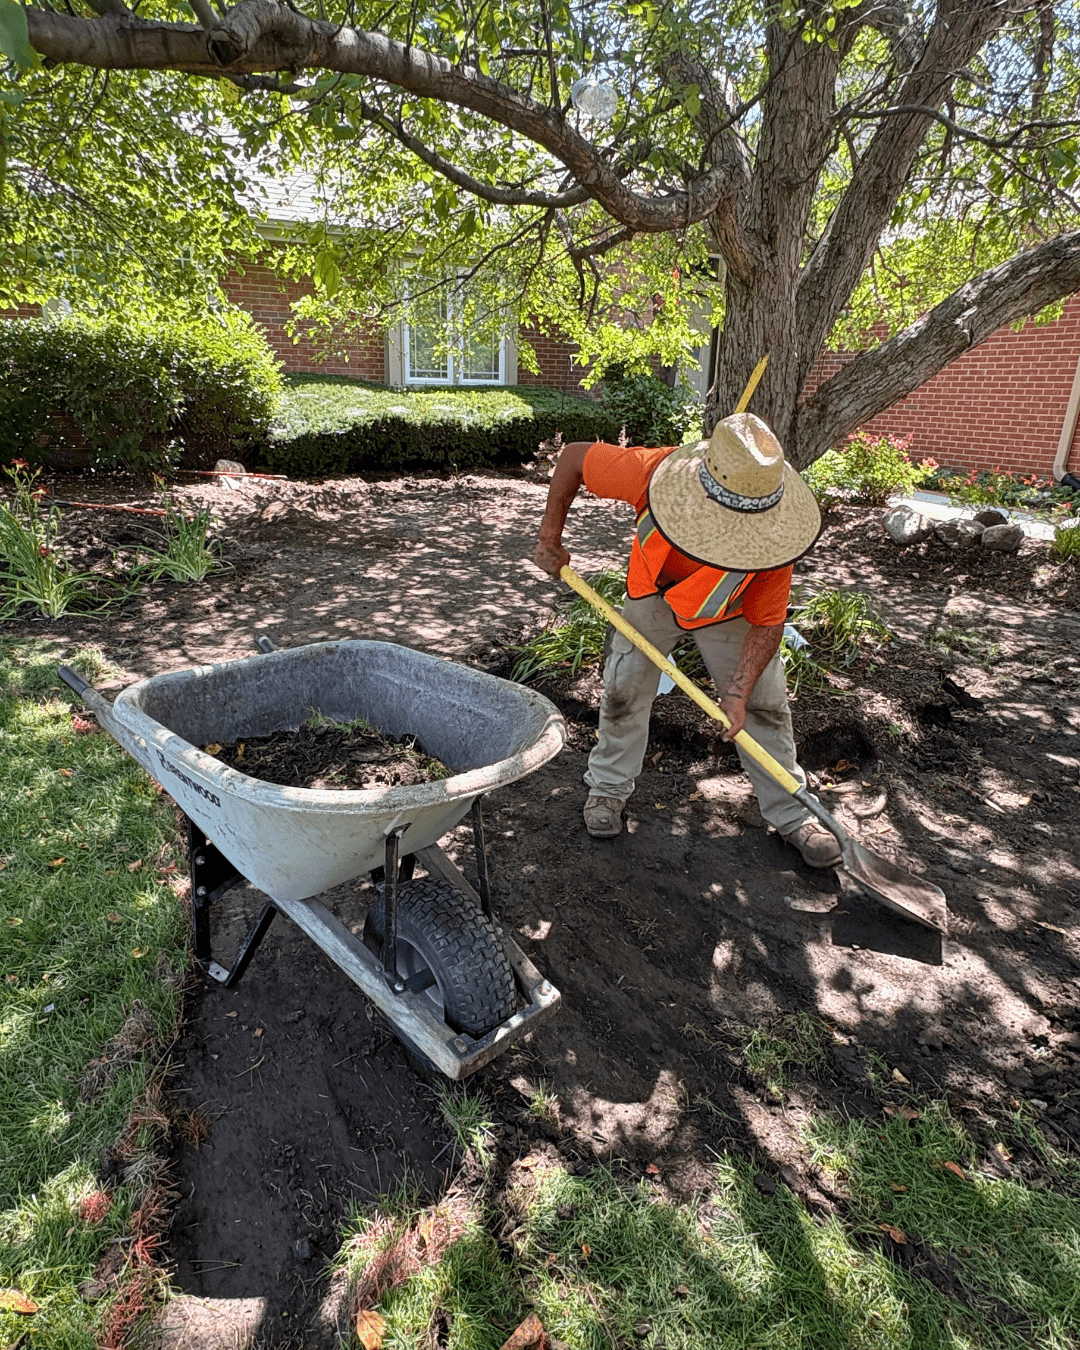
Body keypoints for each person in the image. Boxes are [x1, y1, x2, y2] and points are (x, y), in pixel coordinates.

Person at [531, 412, 841, 868]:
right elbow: (574, 457)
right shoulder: (652, 471)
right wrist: (549, 536)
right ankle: (607, 791)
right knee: (624, 691)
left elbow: (768, 624)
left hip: (729, 611)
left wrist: (736, 694)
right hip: (653, 597)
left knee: (764, 705)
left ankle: (794, 814)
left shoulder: (777, 537)